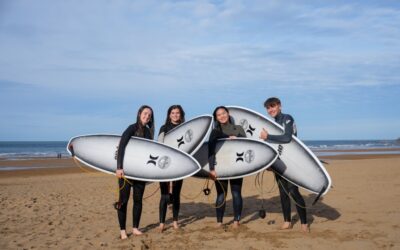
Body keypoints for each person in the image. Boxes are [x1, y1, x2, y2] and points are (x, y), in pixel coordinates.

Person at [259, 97, 308, 232]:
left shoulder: (287, 118)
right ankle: (287, 221)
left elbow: (287, 138)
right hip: (279, 162)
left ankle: (304, 222)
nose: (270, 110)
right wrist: (269, 163)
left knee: (293, 191)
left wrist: (267, 136)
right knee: (283, 192)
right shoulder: (272, 124)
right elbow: (273, 146)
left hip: (292, 162)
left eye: (272, 106)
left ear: (279, 106)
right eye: (268, 108)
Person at [115, 105, 155, 239]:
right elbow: (121, 147)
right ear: (139, 114)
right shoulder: (131, 128)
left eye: (149, 115)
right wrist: (119, 167)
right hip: (126, 171)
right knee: (123, 200)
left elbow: (149, 153)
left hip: (140, 172)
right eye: (145, 113)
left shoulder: (149, 132)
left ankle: (135, 228)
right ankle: (122, 230)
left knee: (138, 201)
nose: (147, 116)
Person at [208, 106, 246, 228]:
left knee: (236, 193)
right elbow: (210, 151)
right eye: (218, 115)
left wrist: (238, 139)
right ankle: (219, 222)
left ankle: (236, 221)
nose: (222, 116)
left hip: (236, 166)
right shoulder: (214, 132)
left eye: (223, 113)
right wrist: (211, 169)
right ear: (216, 118)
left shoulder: (238, 129)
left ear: (228, 113)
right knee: (221, 194)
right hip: (221, 167)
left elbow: (247, 146)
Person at [157, 105, 186, 232]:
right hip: (165, 165)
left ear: (181, 114)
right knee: (164, 195)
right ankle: (162, 223)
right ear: (169, 115)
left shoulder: (185, 128)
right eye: (173, 113)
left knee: (176, 195)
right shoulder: (164, 128)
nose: (175, 115)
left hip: (179, 165)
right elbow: (159, 144)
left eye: (177, 113)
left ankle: (175, 222)